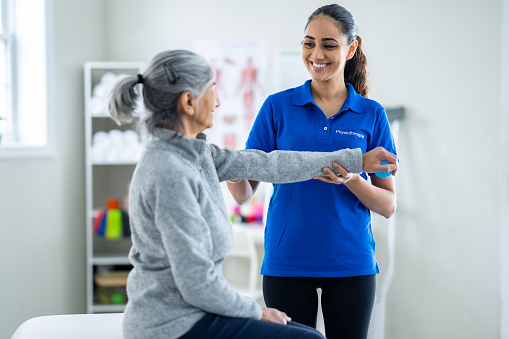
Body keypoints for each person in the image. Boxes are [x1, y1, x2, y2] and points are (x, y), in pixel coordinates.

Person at [108, 49, 398, 339]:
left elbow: (272, 163)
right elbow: (196, 281)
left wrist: (356, 161)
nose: (219, 101)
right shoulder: (168, 170)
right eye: (212, 89)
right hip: (171, 325)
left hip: (192, 314)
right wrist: (255, 311)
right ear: (188, 102)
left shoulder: (197, 155)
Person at [227, 4, 398, 339]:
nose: (316, 54)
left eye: (329, 45)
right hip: (287, 260)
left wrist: (352, 179)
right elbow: (243, 193)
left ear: (351, 48)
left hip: (351, 263)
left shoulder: (371, 113)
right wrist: (231, 167)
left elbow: (388, 205)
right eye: (309, 43)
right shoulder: (277, 107)